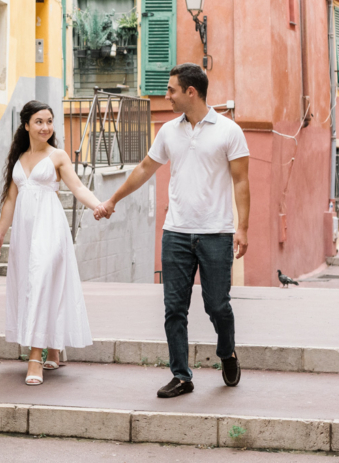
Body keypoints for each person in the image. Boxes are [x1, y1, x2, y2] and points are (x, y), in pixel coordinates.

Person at [95, 63, 250, 398]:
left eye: (171, 90)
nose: (166, 95)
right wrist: (113, 200)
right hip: (176, 233)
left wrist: (243, 228)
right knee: (174, 309)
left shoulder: (229, 131)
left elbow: (241, 182)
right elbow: (145, 168)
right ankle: (182, 375)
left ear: (190, 92)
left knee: (217, 305)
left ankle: (227, 352)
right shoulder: (168, 131)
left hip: (216, 233)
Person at [0, 100, 101, 385]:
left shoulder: (58, 156)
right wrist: (0, 234)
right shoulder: (18, 159)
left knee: (41, 281)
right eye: (39, 121)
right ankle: (54, 347)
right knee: (32, 285)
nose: (46, 127)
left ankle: (35, 357)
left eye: (49, 121)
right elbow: (10, 200)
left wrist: (99, 205)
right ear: (26, 125)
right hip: (25, 234)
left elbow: (77, 187)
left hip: (50, 228)